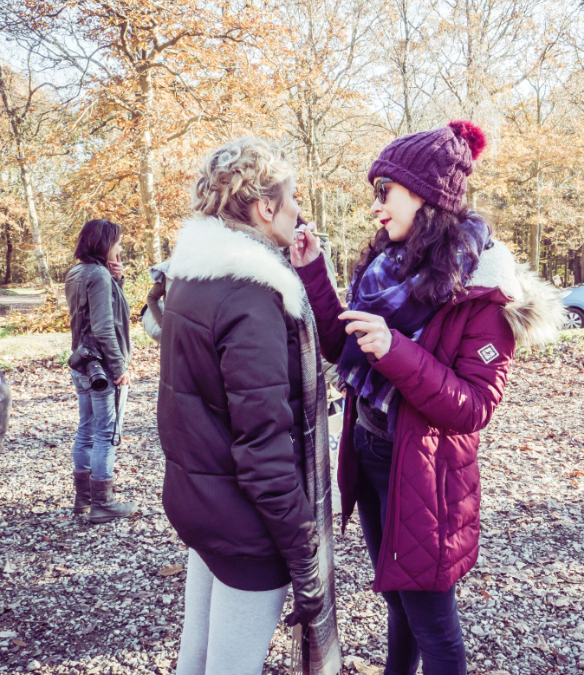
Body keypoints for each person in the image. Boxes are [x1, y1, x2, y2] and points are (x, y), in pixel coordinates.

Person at [292, 121, 565, 675]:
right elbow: (340, 343)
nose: (376, 207)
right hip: (370, 452)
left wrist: (395, 350)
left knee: (434, 624)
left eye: (383, 192)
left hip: (425, 471)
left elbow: (473, 407)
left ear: (425, 195)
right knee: (399, 597)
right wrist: (311, 270)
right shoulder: (384, 268)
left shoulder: (485, 293)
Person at [157, 136, 340, 675]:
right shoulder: (252, 296)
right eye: (293, 199)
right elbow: (264, 449)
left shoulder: (192, 276)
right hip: (245, 526)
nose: (299, 211)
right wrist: (305, 552)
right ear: (265, 207)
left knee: (197, 656)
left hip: (202, 503)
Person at [65, 218, 137, 523]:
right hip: (103, 368)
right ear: (104, 244)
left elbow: (93, 313)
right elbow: (105, 326)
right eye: (117, 242)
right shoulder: (97, 275)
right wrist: (120, 366)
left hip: (82, 362)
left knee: (86, 427)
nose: (119, 248)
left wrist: (116, 281)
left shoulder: (77, 272)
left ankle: (83, 500)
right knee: (106, 432)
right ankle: (103, 503)